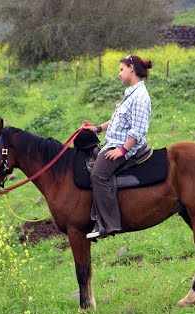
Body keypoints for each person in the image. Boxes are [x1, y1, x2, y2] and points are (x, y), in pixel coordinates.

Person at [83, 55, 152, 240]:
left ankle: (108, 224)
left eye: (121, 69)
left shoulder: (139, 97)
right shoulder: (130, 93)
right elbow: (116, 120)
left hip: (125, 147)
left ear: (131, 68)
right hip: (113, 143)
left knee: (98, 174)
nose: (119, 73)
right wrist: (97, 128)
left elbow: (137, 130)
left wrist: (122, 150)